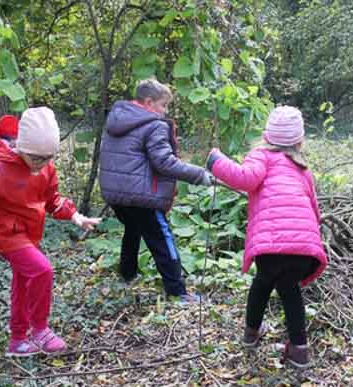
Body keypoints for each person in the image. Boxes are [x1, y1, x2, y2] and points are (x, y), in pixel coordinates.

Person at [0, 107, 102, 357]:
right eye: (36, 158)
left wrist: (75, 216)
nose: (42, 164)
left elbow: (52, 199)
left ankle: (18, 340)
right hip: (5, 234)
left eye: (48, 158)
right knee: (41, 270)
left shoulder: (45, 168)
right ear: (21, 148)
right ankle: (40, 330)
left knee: (24, 283)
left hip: (29, 233)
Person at [206, 106, 327, 368]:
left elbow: (244, 179)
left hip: (271, 246)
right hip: (303, 246)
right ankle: (299, 350)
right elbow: (313, 206)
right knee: (290, 290)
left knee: (262, 284)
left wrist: (216, 161)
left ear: (266, 136)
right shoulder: (302, 168)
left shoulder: (261, 156)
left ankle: (251, 334)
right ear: (299, 141)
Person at [99, 78, 213, 303]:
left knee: (132, 229)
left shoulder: (117, 119)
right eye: (163, 105)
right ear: (149, 102)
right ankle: (178, 292)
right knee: (162, 238)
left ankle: (127, 275)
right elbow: (165, 162)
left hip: (116, 194)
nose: (165, 111)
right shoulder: (154, 124)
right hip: (142, 196)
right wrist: (199, 175)